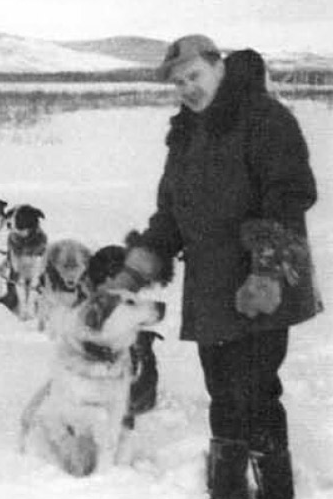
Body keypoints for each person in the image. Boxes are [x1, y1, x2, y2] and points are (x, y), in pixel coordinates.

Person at [107, 36, 321, 499]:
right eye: (179, 82)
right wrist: (136, 268)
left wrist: (266, 271)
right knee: (223, 390)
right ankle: (226, 487)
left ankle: (276, 489)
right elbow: (170, 215)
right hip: (211, 287)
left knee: (256, 389)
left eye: (195, 76)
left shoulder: (264, 118)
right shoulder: (186, 133)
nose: (188, 88)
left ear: (218, 66)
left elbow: (289, 194)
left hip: (261, 282)